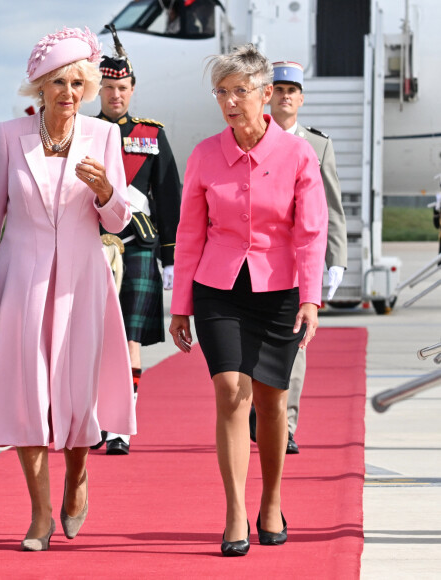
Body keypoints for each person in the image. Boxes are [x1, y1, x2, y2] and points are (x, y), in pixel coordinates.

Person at [0, 27, 136, 551]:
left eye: (78, 82)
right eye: (59, 82)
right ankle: (39, 514)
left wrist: (105, 191)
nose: (70, 93)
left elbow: (119, 220)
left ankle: (76, 479)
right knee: (28, 394)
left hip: (82, 278)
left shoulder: (105, 137)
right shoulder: (12, 135)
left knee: (78, 393)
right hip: (22, 280)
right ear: (39, 87)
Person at [169, 44, 327, 556]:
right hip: (220, 289)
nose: (231, 101)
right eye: (222, 91)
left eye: (241, 91)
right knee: (230, 391)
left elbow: (310, 233)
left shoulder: (298, 154)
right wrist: (180, 305)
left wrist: (311, 298)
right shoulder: (204, 154)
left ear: (265, 95)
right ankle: (236, 510)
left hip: (279, 290)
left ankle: (272, 500)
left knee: (271, 402)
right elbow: (190, 233)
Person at [248, 61, 348, 453]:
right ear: (268, 95)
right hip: (255, 258)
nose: (286, 96)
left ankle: (285, 425)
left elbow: (332, 207)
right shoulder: (251, 138)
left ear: (301, 99)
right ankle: (257, 414)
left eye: (293, 91)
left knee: (295, 343)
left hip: (296, 261)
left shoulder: (317, 145)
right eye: (280, 89)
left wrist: (335, 256)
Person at [95, 25, 181, 455]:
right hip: (94, 244)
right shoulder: (83, 131)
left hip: (141, 244)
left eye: (123, 87)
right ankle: (95, 419)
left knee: (129, 334)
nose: (116, 95)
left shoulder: (152, 134)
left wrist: (170, 258)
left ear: (133, 88)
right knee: (93, 335)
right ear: (99, 88)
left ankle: (122, 425)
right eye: (109, 87)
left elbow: (169, 196)